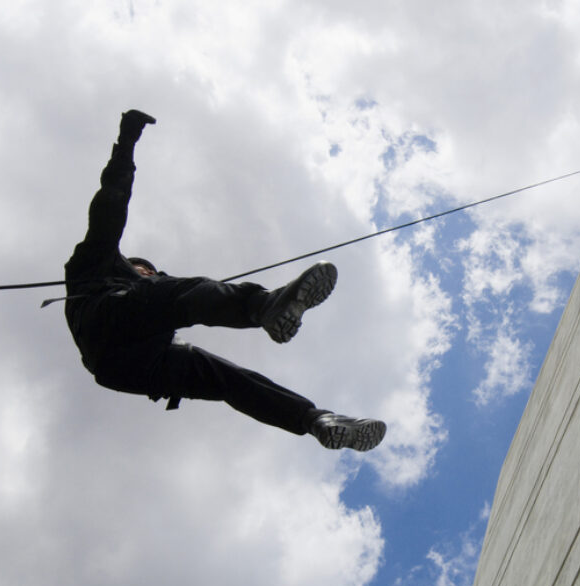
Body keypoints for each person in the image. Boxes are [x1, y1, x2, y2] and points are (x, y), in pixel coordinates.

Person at [63, 110, 385, 452]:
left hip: (129, 367)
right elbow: (111, 201)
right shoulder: (99, 259)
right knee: (181, 293)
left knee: (227, 379)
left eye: (152, 272)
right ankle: (263, 306)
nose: (150, 274)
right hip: (104, 320)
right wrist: (126, 143)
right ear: (128, 264)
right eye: (143, 269)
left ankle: (314, 420)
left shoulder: (152, 312)